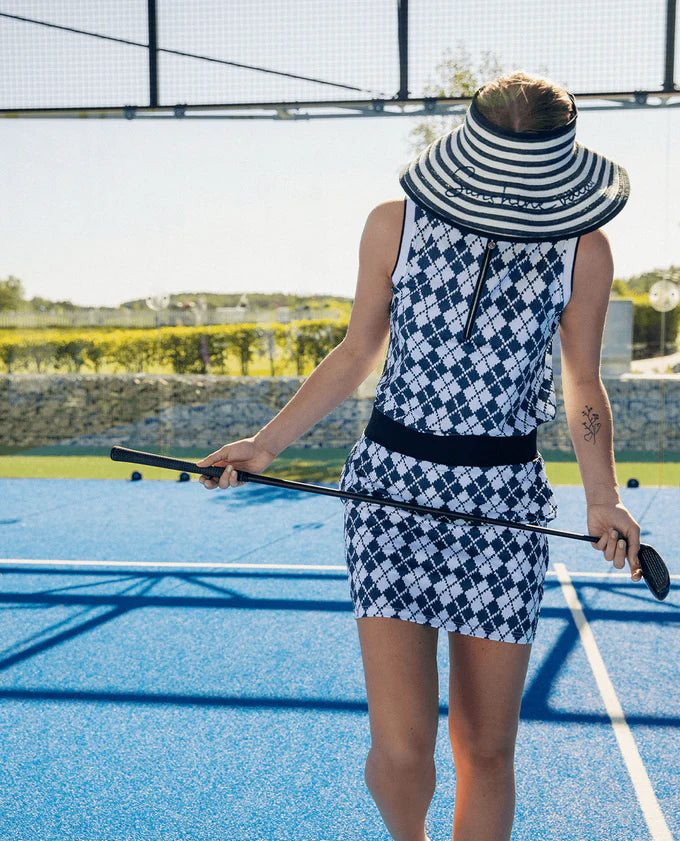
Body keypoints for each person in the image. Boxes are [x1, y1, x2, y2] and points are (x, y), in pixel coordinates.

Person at [197, 70, 643, 841]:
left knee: (487, 747)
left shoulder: (585, 249)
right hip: (391, 490)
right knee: (405, 752)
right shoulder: (391, 224)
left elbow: (582, 383)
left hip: (506, 502)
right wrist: (265, 444)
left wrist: (601, 498)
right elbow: (355, 352)